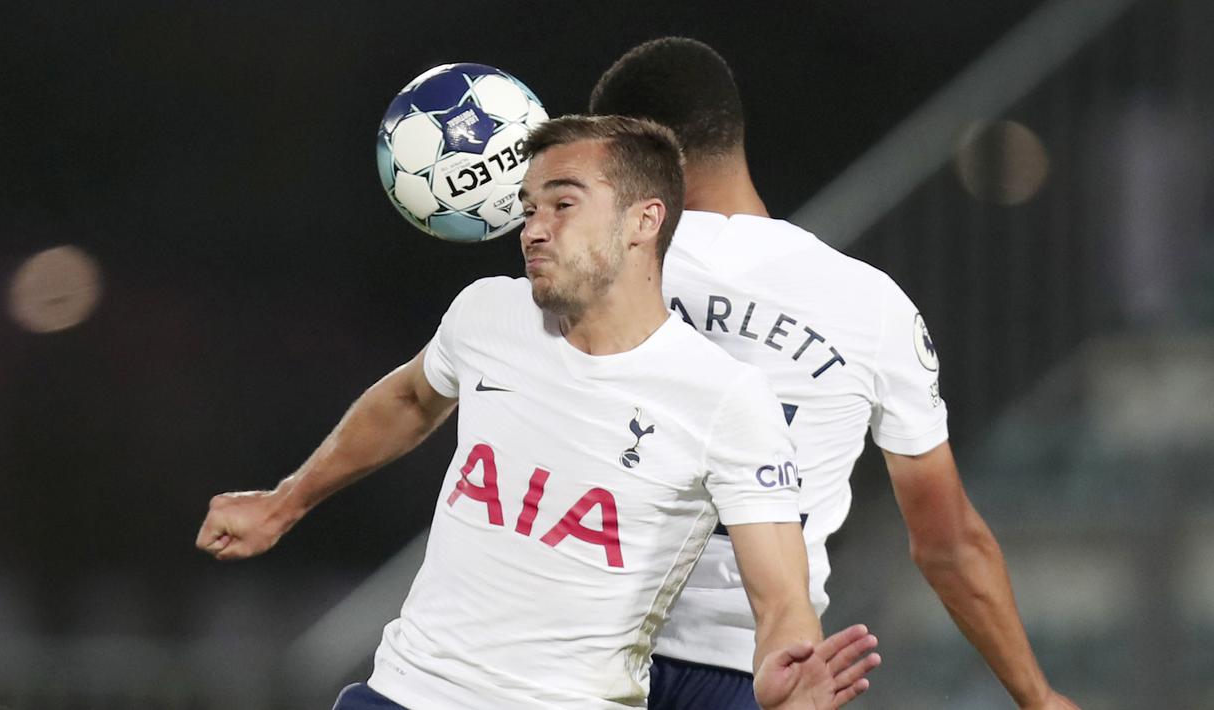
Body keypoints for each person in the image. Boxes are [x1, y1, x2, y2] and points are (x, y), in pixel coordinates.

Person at [195, 115, 879, 710]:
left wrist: (781, 670)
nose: (533, 230)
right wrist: (287, 501)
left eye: (563, 204)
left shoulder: (724, 396)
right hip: (404, 695)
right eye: (527, 209)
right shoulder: (489, 313)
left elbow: (780, 594)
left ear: (644, 220)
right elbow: (409, 398)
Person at [590, 38, 1078, 710]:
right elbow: (947, 544)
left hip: (577, 658)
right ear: (732, 135)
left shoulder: (588, 279)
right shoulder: (869, 305)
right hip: (762, 675)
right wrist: (1037, 696)